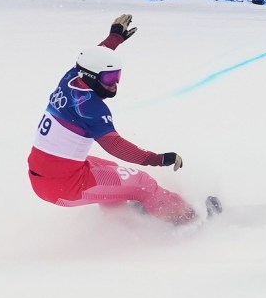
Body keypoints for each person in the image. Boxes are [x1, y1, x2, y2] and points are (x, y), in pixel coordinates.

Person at [27, 14, 196, 224]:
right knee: (142, 182)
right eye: (109, 78)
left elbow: (92, 59)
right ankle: (188, 219)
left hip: (46, 176)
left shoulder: (72, 77)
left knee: (112, 169)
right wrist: (158, 159)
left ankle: (120, 225)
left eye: (117, 76)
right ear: (91, 77)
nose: (114, 84)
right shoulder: (90, 107)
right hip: (65, 185)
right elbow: (116, 145)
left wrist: (115, 37)